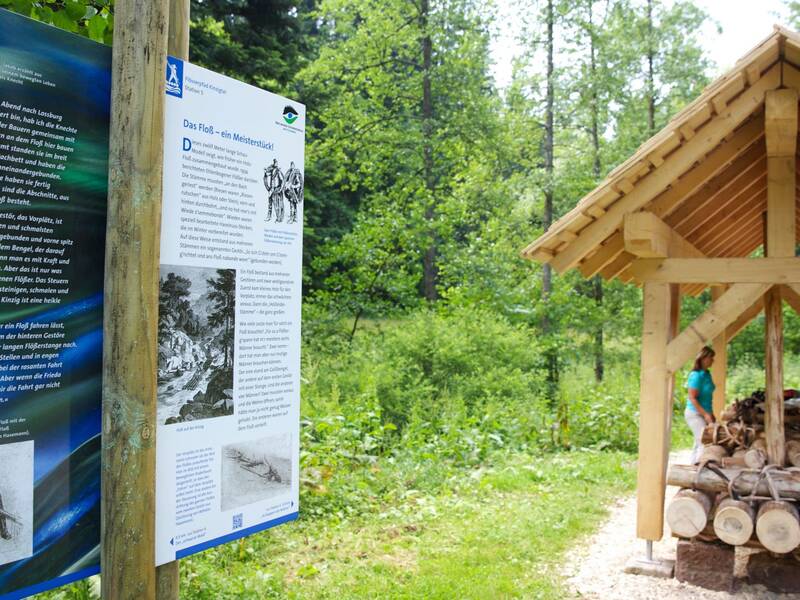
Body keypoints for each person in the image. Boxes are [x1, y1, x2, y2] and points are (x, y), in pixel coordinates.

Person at [685, 346, 716, 464]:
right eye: (711, 357)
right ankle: (699, 468)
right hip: (694, 413)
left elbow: (707, 398)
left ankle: (692, 467)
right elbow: (692, 398)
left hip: (705, 413)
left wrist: (710, 414)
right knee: (704, 441)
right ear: (703, 358)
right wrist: (705, 415)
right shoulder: (696, 376)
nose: (713, 360)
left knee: (698, 442)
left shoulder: (707, 374)